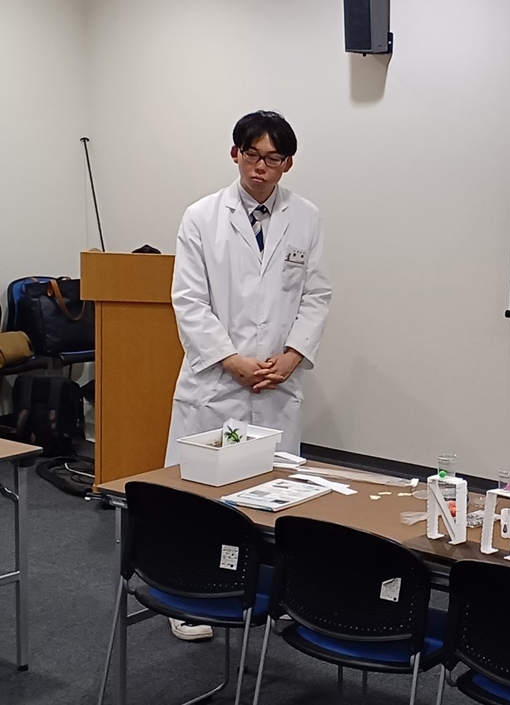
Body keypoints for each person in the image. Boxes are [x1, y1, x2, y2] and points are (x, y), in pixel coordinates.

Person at [164, 110, 332, 641]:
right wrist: (229, 359)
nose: (262, 167)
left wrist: (293, 355)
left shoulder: (306, 217)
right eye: (253, 155)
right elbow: (189, 300)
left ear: (288, 164)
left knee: (272, 491)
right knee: (200, 496)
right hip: (217, 381)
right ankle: (188, 596)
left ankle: (263, 591)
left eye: (273, 158)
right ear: (235, 154)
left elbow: (317, 295)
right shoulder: (201, 217)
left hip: (277, 380)